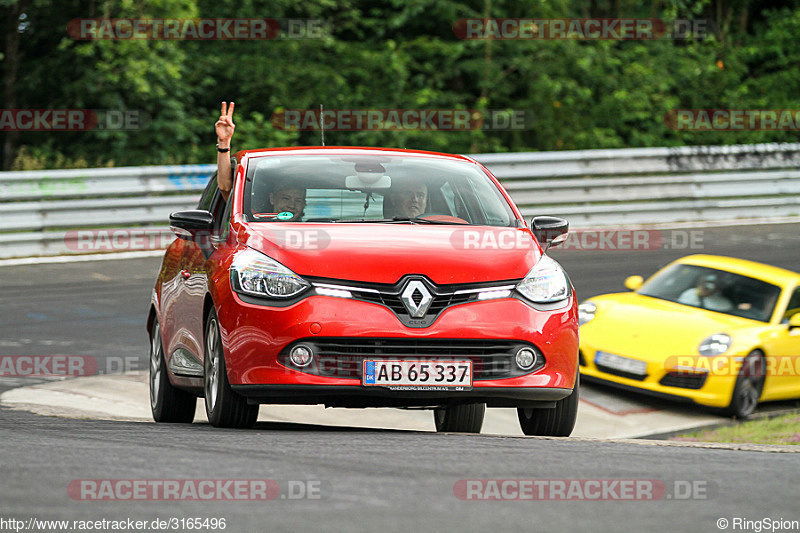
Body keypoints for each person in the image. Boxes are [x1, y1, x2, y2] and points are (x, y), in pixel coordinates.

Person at [214, 101, 305, 221]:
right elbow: (225, 188)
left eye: (298, 201)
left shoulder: (320, 230)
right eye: (285, 198)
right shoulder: (251, 223)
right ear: (272, 199)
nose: (291, 205)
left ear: (304, 204)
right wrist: (224, 143)